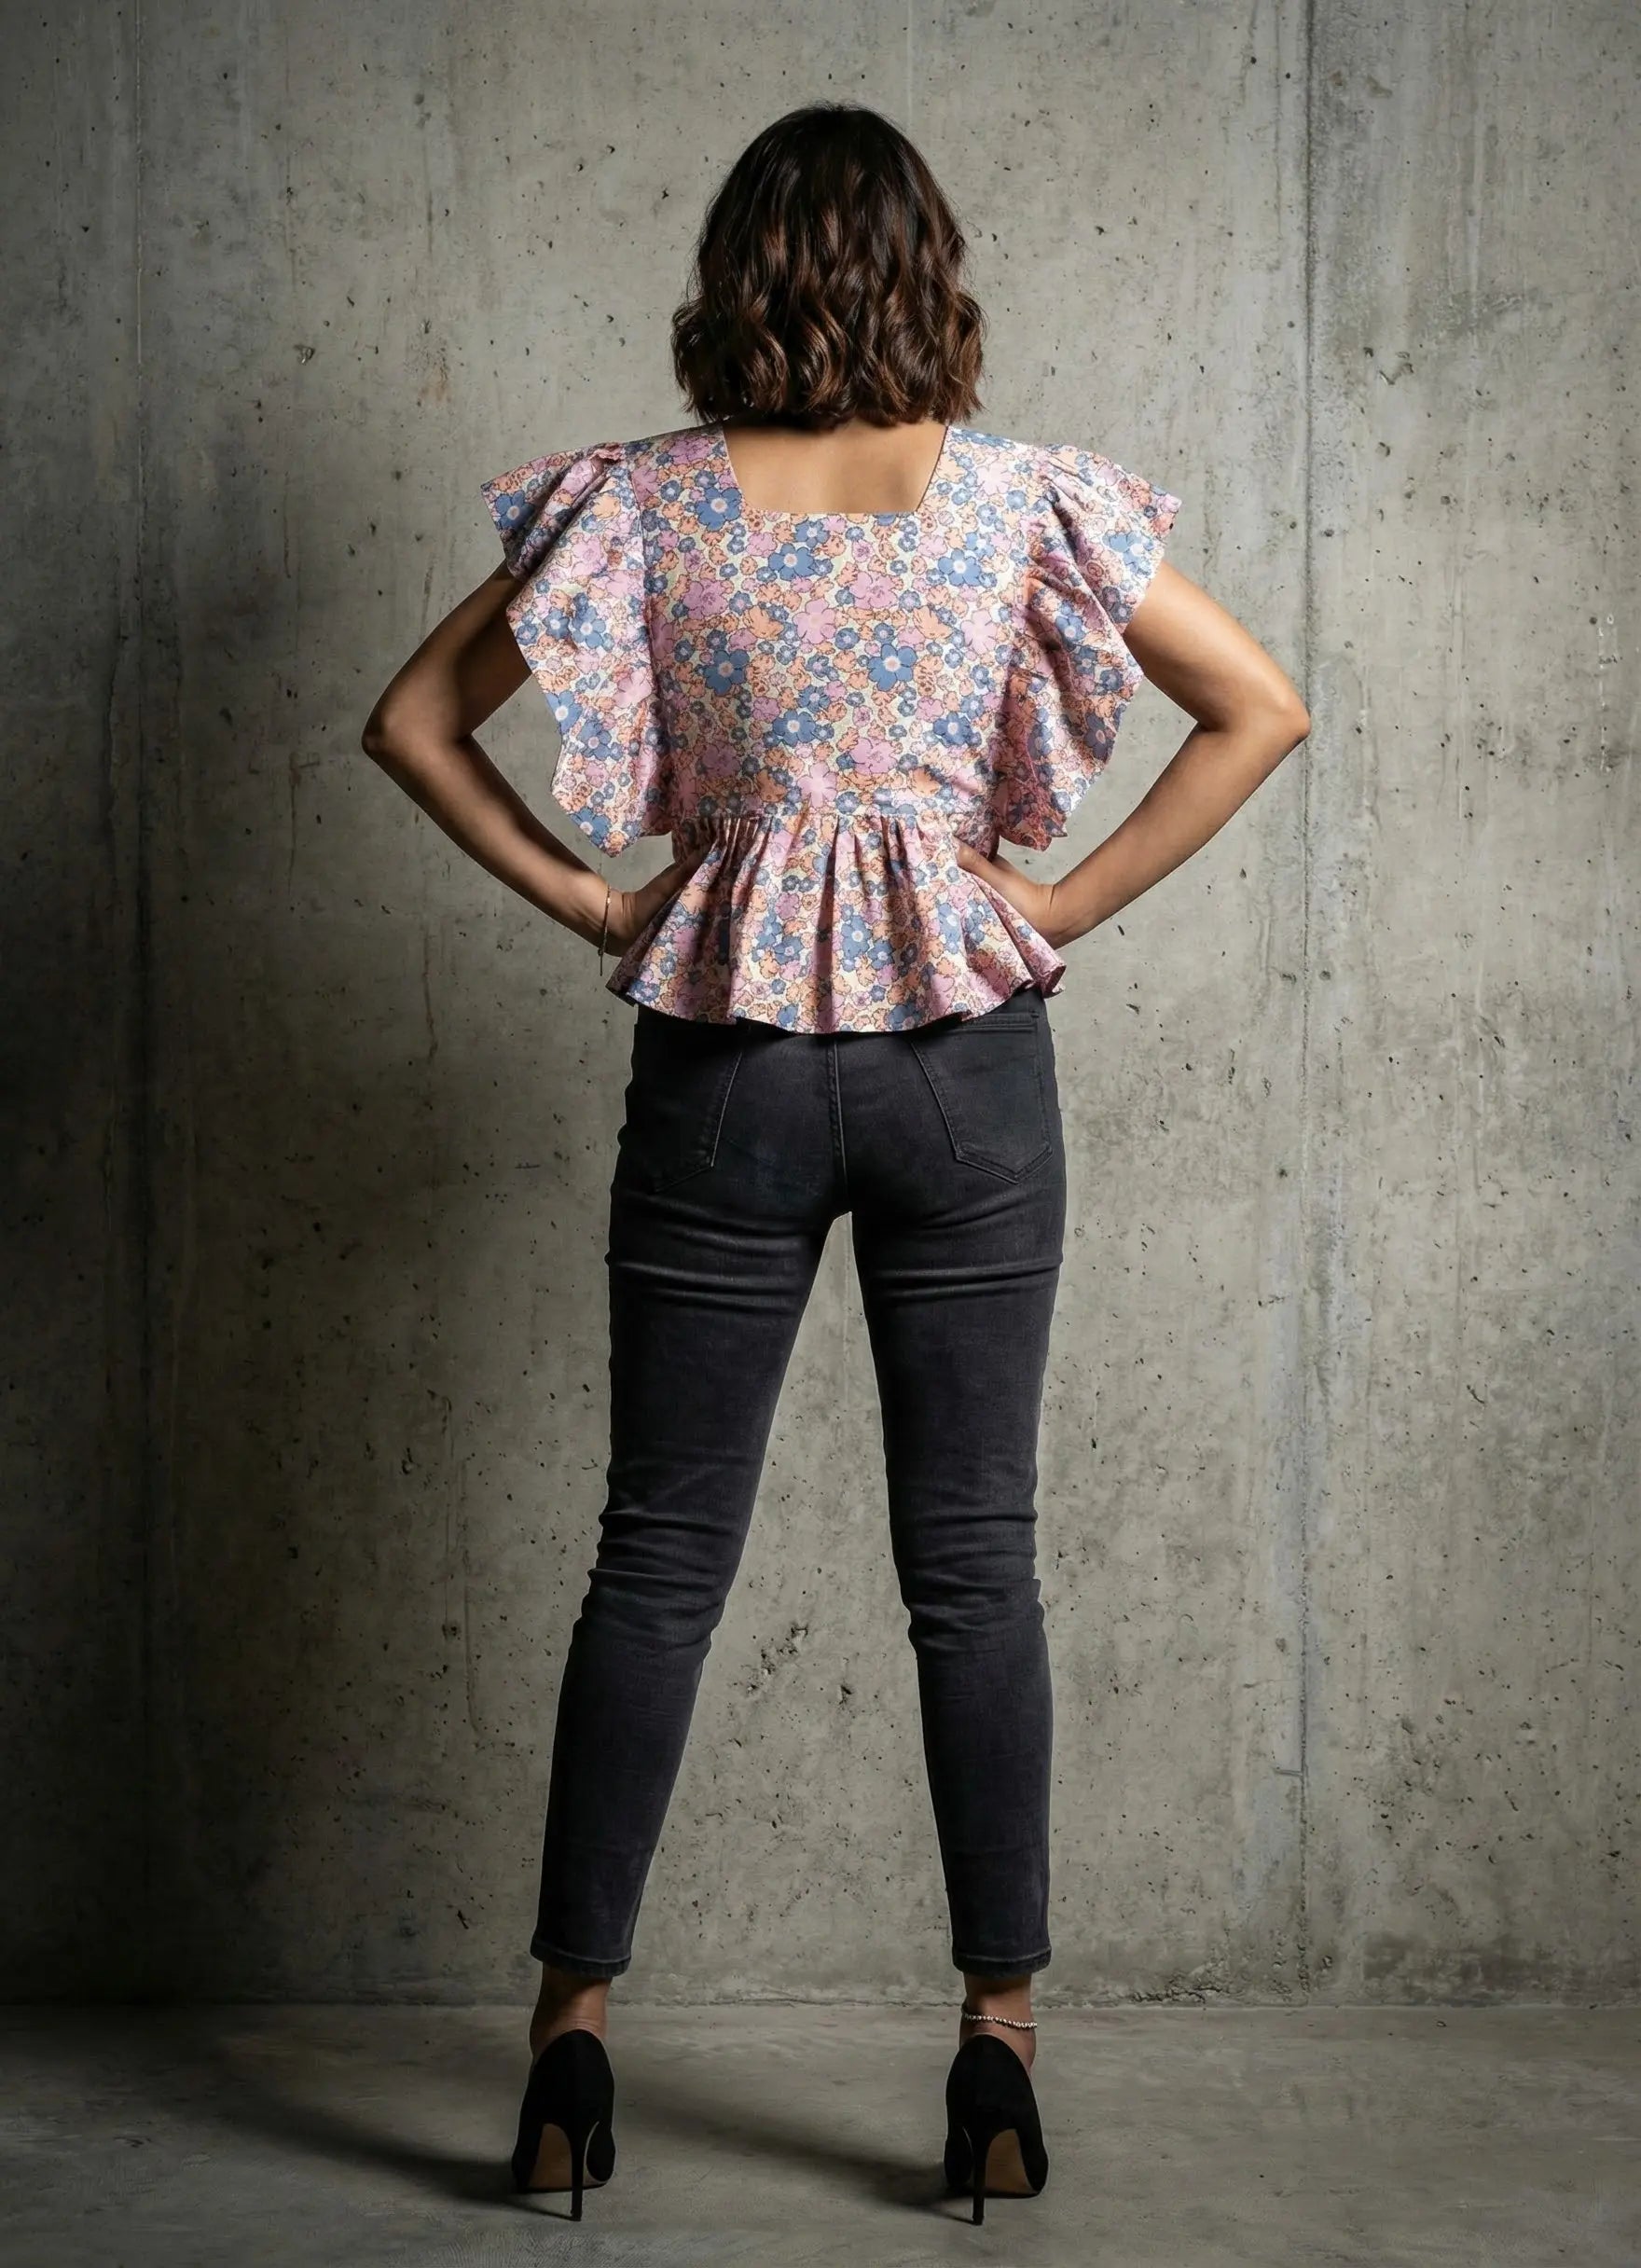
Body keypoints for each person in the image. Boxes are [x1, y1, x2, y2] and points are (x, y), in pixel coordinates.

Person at [362, 100, 1308, 2226]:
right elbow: (1261, 705)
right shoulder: (1025, 498)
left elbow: (409, 721)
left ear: (737, 278)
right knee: (974, 1564)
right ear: (926, 274)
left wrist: (608, 905)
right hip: (968, 1067)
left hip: (724, 1065)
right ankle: (999, 2054)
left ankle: (567, 2050)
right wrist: (1048, 909)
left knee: (654, 1558)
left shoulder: (643, 504)